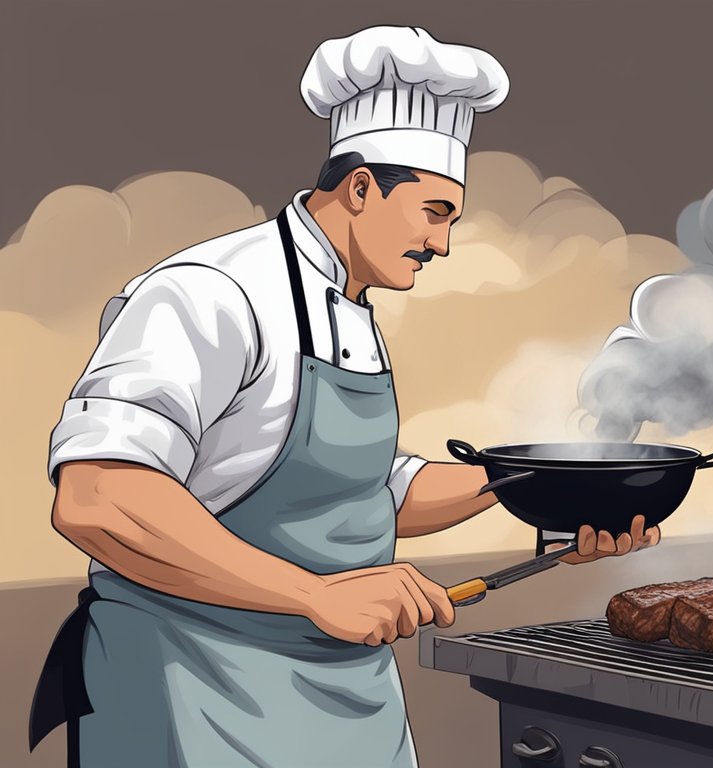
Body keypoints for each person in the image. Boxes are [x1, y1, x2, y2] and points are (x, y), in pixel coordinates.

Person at [29, 26, 658, 768]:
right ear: (360, 188)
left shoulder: (348, 305)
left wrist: (552, 488)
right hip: (193, 690)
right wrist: (311, 595)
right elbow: (99, 496)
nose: (444, 243)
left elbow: (364, 496)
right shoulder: (211, 293)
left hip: (346, 698)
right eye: (436, 212)